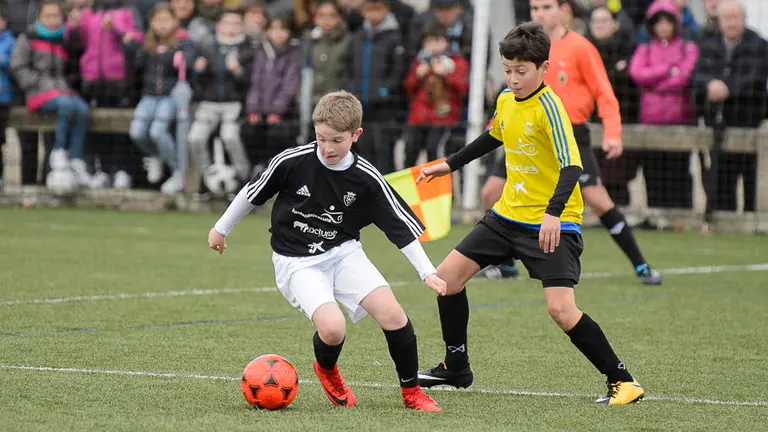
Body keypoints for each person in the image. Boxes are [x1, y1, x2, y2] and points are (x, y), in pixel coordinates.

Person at [415, 21, 645, 405]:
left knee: (560, 309)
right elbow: (494, 135)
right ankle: (456, 368)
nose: (513, 78)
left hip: (550, 223)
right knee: (446, 280)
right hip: (506, 217)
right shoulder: (506, 99)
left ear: (542, 68)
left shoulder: (551, 108)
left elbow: (572, 166)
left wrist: (554, 214)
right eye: (507, 70)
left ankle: (623, 382)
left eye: (521, 71)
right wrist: (449, 164)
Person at [207, 90, 444, 412]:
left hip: (344, 253)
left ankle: (412, 392)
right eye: (322, 139)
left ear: (356, 135)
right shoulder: (292, 161)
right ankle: (328, 369)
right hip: (296, 261)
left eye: (337, 140)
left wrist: (427, 271)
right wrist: (221, 229)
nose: (328, 148)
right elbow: (252, 193)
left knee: (393, 315)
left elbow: (399, 229)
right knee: (333, 329)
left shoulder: (367, 178)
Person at [478, 0, 661, 284]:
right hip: (528, 133)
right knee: (491, 193)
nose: (539, 14)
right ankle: (507, 266)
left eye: (547, 7)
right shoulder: (524, 48)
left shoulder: (581, 47)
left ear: (564, 10)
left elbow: (604, 93)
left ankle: (641, 266)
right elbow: (511, 91)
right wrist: (495, 126)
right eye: (535, 8)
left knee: (598, 200)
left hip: (571, 133)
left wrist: (613, 133)